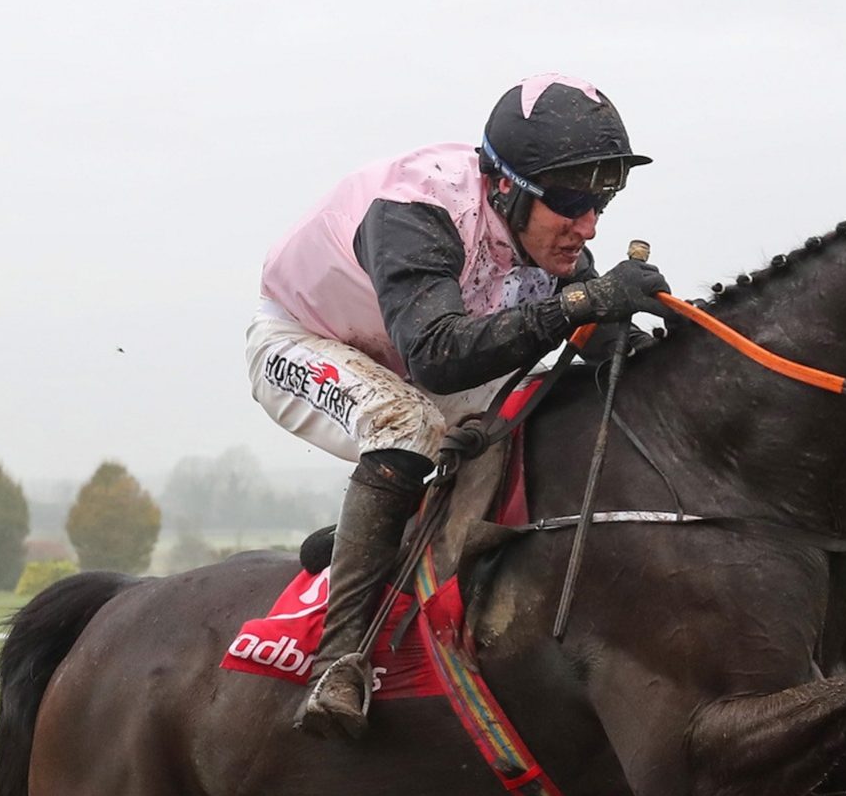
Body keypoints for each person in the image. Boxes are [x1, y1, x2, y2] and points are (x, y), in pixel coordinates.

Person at [247, 74, 672, 740]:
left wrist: (667, 339)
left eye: (602, 202)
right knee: (406, 423)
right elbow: (438, 357)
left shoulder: (542, 234)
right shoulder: (418, 208)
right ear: (505, 185)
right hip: (304, 339)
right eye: (570, 202)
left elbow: (597, 339)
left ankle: (387, 531)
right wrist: (585, 302)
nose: (587, 226)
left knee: (534, 398)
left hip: (411, 349)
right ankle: (337, 663)